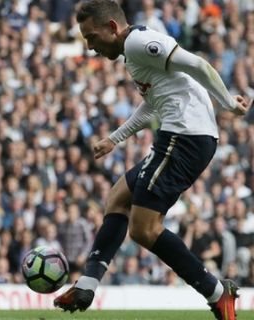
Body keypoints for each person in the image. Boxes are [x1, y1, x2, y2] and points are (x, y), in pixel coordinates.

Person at [53, 2, 250, 320]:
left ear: (113, 27)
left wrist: (228, 103)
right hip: (182, 136)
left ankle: (216, 292)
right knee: (118, 196)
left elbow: (197, 64)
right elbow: (153, 102)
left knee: (144, 230)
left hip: (185, 137)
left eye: (92, 37)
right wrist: (114, 139)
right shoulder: (133, 53)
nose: (90, 47)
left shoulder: (139, 43)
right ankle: (87, 284)